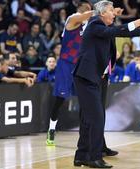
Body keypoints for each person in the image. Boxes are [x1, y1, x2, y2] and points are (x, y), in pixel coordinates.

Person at [72, 0, 140, 168]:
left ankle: (81, 156)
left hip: (96, 77)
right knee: (97, 118)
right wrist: (137, 22)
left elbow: (122, 33)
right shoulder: (94, 24)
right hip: (86, 77)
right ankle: (93, 157)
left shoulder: (103, 28)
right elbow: (119, 30)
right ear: (101, 13)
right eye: (111, 11)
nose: (114, 13)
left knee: (88, 118)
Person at [46, 0, 94, 146]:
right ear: (82, 7)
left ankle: (86, 134)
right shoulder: (72, 18)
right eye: (88, 8)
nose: (90, 10)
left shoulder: (87, 25)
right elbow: (87, 15)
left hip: (80, 65)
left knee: (85, 99)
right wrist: (101, 10)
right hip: (66, 64)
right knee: (60, 99)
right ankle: (51, 129)